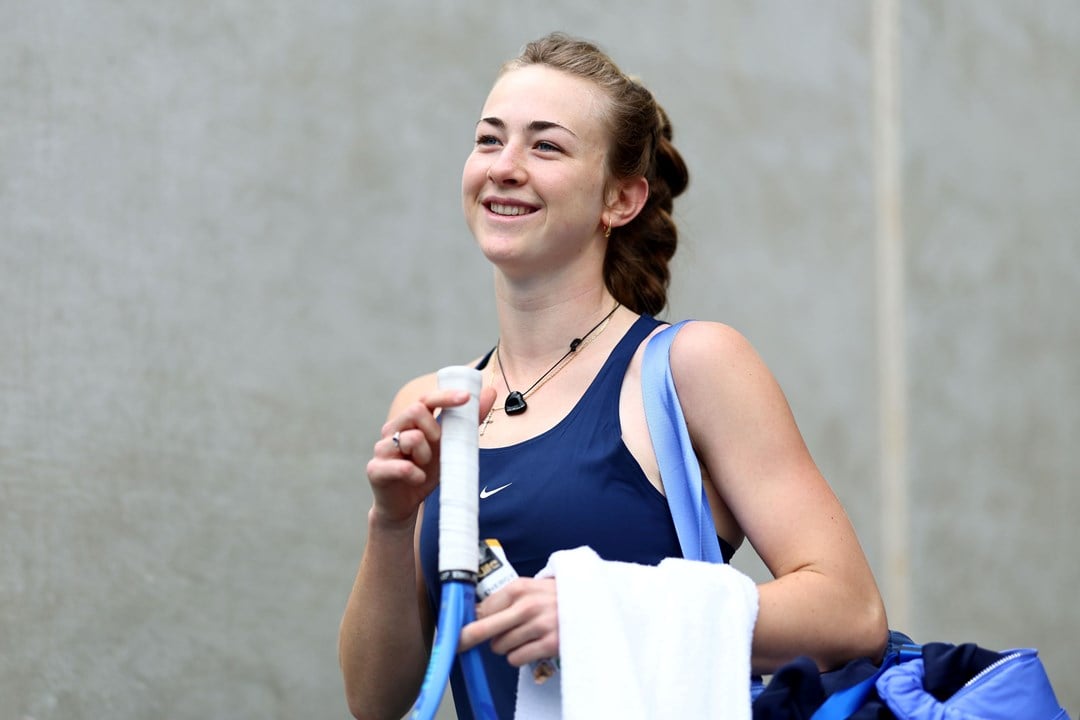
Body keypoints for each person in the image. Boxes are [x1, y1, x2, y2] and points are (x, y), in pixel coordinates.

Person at [339, 32, 887, 720]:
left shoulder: (692, 366)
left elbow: (851, 611)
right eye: (488, 140)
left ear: (620, 201)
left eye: (546, 146)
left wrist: (603, 614)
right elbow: (375, 702)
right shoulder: (439, 402)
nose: (505, 167)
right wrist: (391, 525)